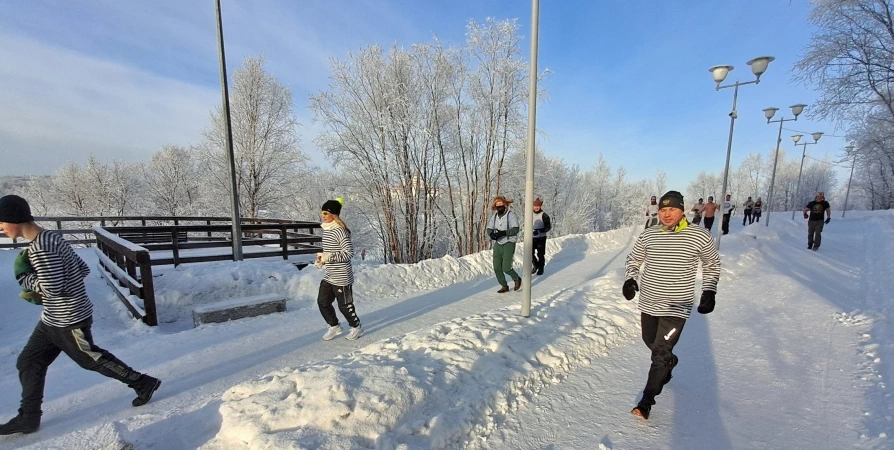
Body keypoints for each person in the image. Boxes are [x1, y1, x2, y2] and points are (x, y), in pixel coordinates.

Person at [0, 195, 161, 435]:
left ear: (14, 219)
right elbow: (82, 269)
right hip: (53, 319)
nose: (0, 228)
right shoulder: (52, 237)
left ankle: (142, 382)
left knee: (90, 358)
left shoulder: (41, 248)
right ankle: (28, 417)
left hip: (69, 319)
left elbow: (52, 288)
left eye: (1, 222)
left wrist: (25, 278)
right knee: (28, 361)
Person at [622, 190, 721, 420]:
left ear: (682, 210)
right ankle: (669, 363)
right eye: (663, 210)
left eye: (672, 209)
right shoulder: (649, 235)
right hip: (649, 302)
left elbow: (711, 264)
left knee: (659, 352)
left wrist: (709, 290)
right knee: (650, 342)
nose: (666, 214)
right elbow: (634, 259)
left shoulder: (699, 236)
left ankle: (646, 401)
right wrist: (630, 278)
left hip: (677, 305)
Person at [316, 198, 363, 341]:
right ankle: (334, 326)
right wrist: (321, 260)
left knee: (345, 306)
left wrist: (328, 257)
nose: (323, 215)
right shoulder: (327, 230)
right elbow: (329, 251)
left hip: (342, 276)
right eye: (322, 212)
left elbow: (348, 253)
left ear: (334, 214)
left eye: (326, 212)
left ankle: (356, 327)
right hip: (330, 274)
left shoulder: (340, 231)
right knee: (322, 302)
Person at [486, 196, 521, 293]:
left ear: (505, 204)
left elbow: (516, 229)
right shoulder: (495, 216)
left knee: (506, 267)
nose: (499, 206)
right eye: (497, 205)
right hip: (498, 243)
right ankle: (504, 286)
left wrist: (504, 233)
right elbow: (489, 228)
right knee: (497, 267)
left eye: (501, 204)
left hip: (509, 242)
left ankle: (517, 278)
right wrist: (491, 234)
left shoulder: (511, 215)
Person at [531, 198, 552, 276]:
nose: (536, 207)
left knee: (540, 254)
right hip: (532, 237)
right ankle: (535, 265)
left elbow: (548, 227)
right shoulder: (530, 214)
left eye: (538, 206)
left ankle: (541, 268)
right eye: (535, 206)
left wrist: (540, 231)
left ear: (540, 206)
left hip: (541, 237)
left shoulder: (544, 215)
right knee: (530, 254)